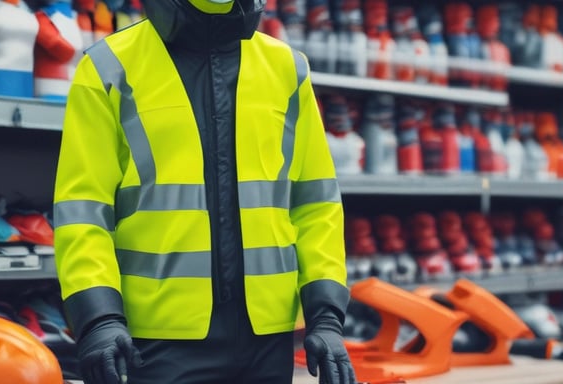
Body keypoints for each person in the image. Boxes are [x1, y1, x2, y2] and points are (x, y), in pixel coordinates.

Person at [53, 0, 355, 382]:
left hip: (267, 342)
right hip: (156, 342)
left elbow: (315, 204)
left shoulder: (287, 69)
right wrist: (98, 317)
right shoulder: (109, 67)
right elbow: (83, 210)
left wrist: (326, 315)